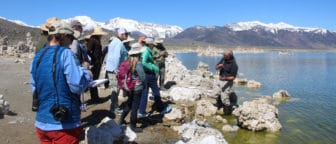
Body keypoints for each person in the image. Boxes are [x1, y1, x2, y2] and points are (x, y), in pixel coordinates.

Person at [30, 20, 92, 144]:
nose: (71, 42)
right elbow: (77, 86)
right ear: (63, 36)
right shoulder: (66, 54)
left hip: (42, 122)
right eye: (70, 37)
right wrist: (87, 73)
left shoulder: (38, 56)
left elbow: (34, 87)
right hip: (63, 123)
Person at [138, 38, 171, 117]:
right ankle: (161, 108)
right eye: (152, 44)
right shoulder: (146, 51)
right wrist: (153, 67)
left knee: (144, 93)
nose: (153, 46)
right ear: (149, 44)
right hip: (149, 74)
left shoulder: (143, 50)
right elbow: (144, 62)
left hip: (145, 74)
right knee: (156, 91)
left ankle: (141, 112)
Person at [119, 43, 146, 133]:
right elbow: (142, 77)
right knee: (135, 107)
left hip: (130, 87)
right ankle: (133, 126)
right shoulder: (138, 63)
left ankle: (121, 119)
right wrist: (144, 84)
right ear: (139, 54)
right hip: (137, 88)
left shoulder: (128, 61)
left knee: (129, 104)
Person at [105, 28, 129, 114]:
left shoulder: (114, 42)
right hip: (115, 70)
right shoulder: (118, 44)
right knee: (115, 89)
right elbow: (116, 57)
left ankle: (114, 106)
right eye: (126, 34)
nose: (127, 35)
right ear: (121, 34)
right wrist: (117, 70)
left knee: (115, 89)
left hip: (112, 69)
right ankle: (114, 108)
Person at [87, 27, 107, 103]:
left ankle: (95, 97)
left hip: (97, 62)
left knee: (95, 80)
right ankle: (94, 98)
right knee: (94, 80)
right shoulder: (92, 40)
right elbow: (88, 51)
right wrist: (94, 58)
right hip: (94, 63)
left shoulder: (96, 40)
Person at [215, 50, 238, 115]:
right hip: (219, 80)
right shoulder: (223, 59)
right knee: (215, 93)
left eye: (225, 55)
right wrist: (218, 67)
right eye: (223, 55)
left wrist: (225, 78)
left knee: (225, 98)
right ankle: (219, 105)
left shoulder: (234, 65)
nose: (223, 56)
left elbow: (233, 77)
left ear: (229, 56)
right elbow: (216, 67)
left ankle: (228, 113)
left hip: (227, 82)